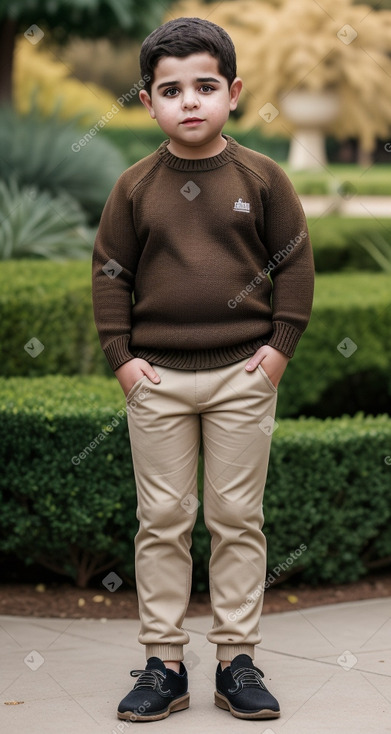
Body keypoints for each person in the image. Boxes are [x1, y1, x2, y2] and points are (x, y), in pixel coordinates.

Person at [92, 16, 314, 722]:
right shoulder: (133, 186)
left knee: (235, 517)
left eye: (205, 86)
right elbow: (109, 274)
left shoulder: (262, 176)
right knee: (161, 517)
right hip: (154, 380)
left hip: (241, 378)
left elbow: (296, 262)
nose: (189, 100)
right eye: (171, 89)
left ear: (233, 92)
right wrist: (122, 361)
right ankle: (162, 664)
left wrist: (276, 351)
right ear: (147, 101)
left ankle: (234, 662)